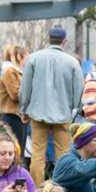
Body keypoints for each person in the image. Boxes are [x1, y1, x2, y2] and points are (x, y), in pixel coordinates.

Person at [15, 27, 82, 182]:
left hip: (38, 114)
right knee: (64, 156)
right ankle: (62, 190)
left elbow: (25, 89)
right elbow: (79, 91)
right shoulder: (72, 62)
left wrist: (23, 109)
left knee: (37, 155)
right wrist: (74, 111)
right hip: (64, 115)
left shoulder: (33, 58)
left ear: (48, 39)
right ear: (64, 41)